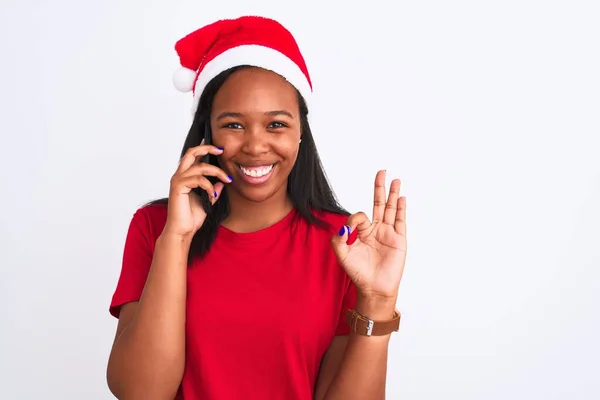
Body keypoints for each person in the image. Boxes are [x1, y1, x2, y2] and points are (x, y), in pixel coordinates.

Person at [106, 15, 407, 400]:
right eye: (233, 125)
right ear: (207, 131)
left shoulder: (346, 244)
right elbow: (140, 392)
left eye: (276, 124)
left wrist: (378, 303)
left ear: (301, 132)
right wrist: (176, 240)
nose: (255, 146)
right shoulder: (157, 227)